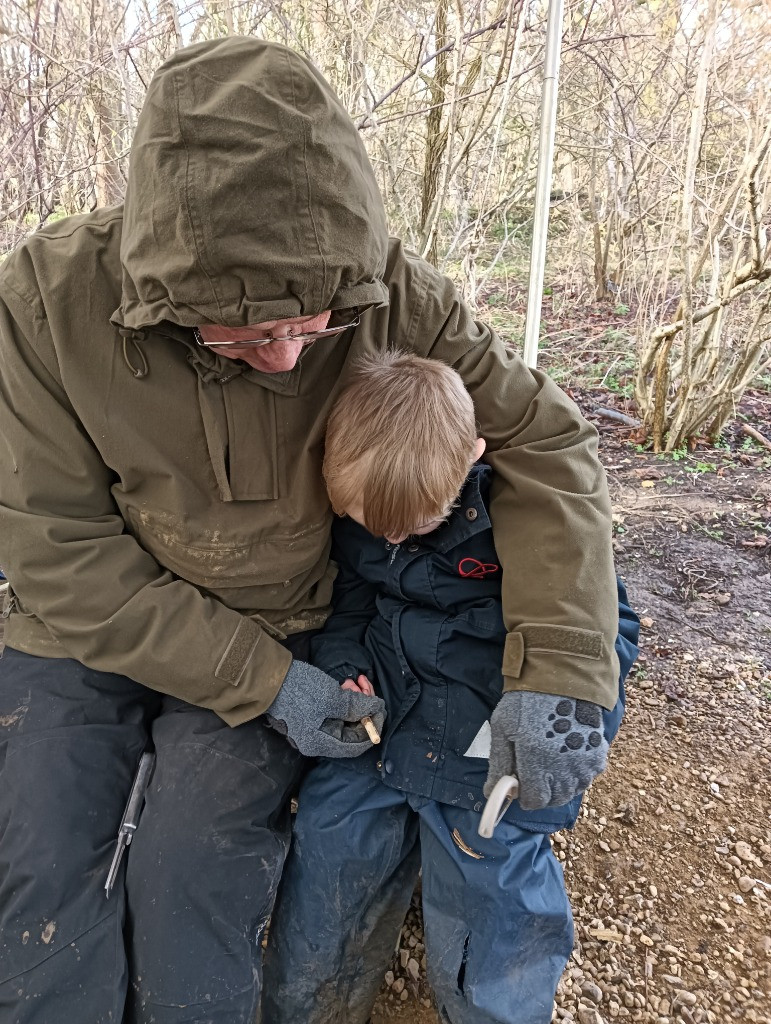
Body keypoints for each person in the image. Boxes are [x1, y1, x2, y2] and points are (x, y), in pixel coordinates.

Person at [0, 36, 622, 1024]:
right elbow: (59, 553)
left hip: (271, 627)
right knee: (37, 866)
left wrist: (563, 669)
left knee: (191, 867)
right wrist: (268, 687)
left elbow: (544, 439)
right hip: (81, 631)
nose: (289, 360)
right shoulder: (43, 305)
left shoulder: (382, 283)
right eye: (247, 336)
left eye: (314, 324)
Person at [261, 352, 640, 1024]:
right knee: (328, 835)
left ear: (471, 457)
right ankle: (311, 1005)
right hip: (388, 721)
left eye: (414, 523)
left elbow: (604, 631)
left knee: (492, 887)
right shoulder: (367, 525)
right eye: (372, 527)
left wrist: (568, 722)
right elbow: (348, 601)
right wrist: (346, 663)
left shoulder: (523, 524)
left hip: (486, 746)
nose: (391, 538)